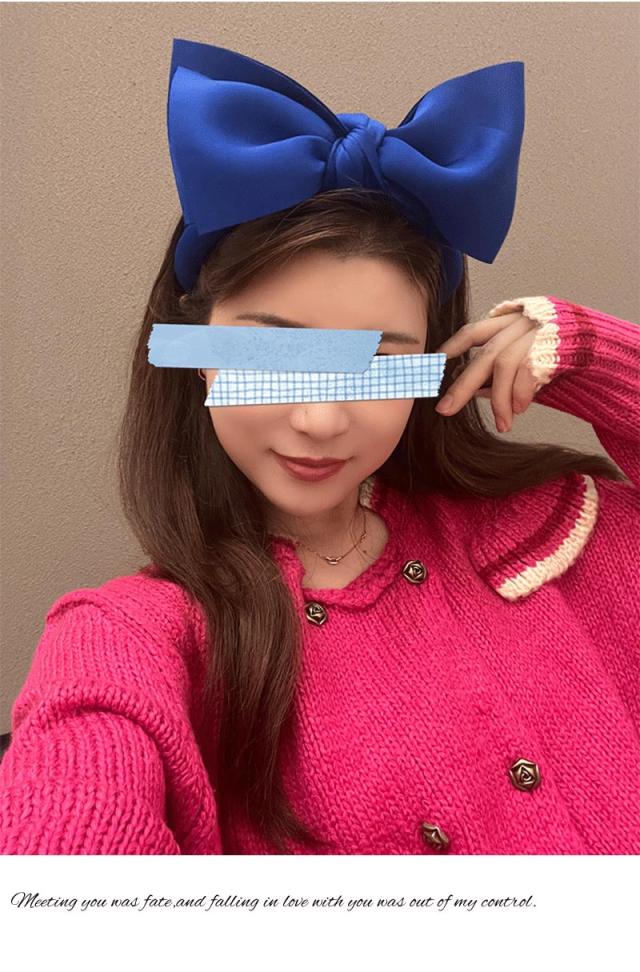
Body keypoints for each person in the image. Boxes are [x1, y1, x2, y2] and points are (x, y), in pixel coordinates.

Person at [0, 41, 638, 855]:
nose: (321, 419)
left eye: (377, 363)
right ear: (194, 349)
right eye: (274, 354)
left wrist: (594, 356)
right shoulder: (134, 640)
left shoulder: (559, 530)